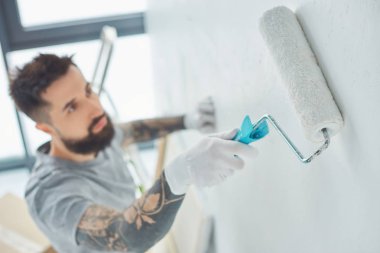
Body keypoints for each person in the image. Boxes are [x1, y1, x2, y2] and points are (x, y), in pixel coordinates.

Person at [9, 54, 255, 253]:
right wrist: (179, 173)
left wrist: (187, 120)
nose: (96, 108)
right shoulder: (50, 196)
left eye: (88, 91)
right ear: (45, 128)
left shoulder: (93, 134)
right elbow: (124, 239)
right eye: (72, 107)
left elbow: (132, 131)